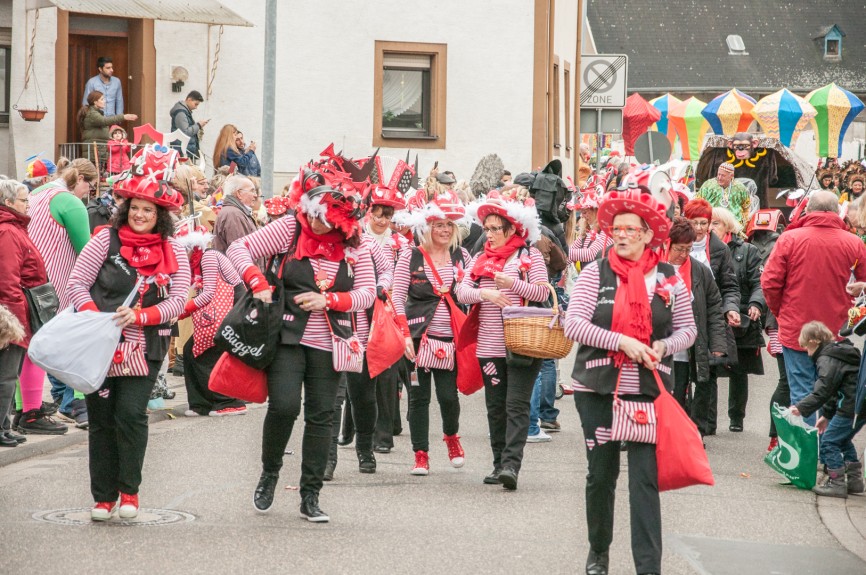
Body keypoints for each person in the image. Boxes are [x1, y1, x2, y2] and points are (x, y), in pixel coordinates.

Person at [226, 149, 376, 522]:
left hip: (332, 341)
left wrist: (330, 299)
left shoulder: (355, 244)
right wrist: (256, 280)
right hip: (288, 337)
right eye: (314, 215)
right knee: (284, 407)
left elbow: (368, 294)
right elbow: (238, 248)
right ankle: (270, 472)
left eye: (327, 220)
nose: (318, 223)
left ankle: (311, 495)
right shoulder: (290, 228)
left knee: (322, 416)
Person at [564, 187, 696, 575]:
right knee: (601, 474)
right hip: (598, 386)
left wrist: (662, 344)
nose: (620, 236)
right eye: (616, 229)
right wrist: (621, 340)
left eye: (630, 230)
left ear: (647, 235)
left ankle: (648, 567)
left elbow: (688, 330)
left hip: (648, 388)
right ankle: (598, 553)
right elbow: (574, 325)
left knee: (644, 481)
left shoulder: (669, 278)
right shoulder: (595, 272)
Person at [65, 145, 190, 520]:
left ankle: (129, 492)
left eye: (147, 210)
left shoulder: (175, 250)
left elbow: (179, 299)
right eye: (134, 207)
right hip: (100, 345)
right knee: (101, 419)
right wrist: (95, 315)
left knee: (131, 415)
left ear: (160, 215)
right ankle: (103, 497)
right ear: (125, 209)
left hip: (146, 346)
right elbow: (76, 284)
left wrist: (143, 316)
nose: (139, 214)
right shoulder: (104, 239)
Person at [457, 190, 549, 490]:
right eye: (487, 228)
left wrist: (513, 284)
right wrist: (485, 293)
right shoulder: (481, 258)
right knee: (496, 407)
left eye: (496, 228)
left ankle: (512, 465)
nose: (490, 234)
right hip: (489, 346)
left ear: (512, 229)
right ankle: (498, 464)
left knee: (516, 406)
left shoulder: (529, 255)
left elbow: (543, 293)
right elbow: (461, 292)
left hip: (522, 344)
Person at [763, 190, 866, 425]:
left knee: (801, 393)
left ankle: (807, 457)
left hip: (796, 329)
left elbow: (770, 283)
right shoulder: (854, 243)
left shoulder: (789, 239)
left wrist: (782, 312)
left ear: (808, 211)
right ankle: (831, 449)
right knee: (835, 391)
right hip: (836, 331)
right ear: (836, 212)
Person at [392, 190, 471, 475]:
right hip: (415, 339)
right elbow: (397, 297)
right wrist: (403, 336)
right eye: (439, 224)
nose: (444, 229)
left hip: (449, 340)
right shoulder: (410, 257)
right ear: (427, 226)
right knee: (418, 398)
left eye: (449, 224)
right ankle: (421, 454)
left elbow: (470, 290)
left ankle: (452, 438)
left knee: (449, 396)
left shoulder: (462, 256)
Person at [28, 158, 99, 429]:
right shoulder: (70, 202)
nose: (88, 193)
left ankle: (57, 397)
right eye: (90, 187)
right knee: (70, 342)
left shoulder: (36, 193)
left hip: (31, 278)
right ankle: (72, 403)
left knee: (42, 339)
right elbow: (86, 250)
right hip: (58, 281)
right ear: (80, 178)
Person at [0, 180, 67, 442]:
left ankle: (5, 425)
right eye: (23, 200)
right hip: (12, 315)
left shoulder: (13, 228)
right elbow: (7, 280)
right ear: (9, 203)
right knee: (5, 376)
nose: (28, 205)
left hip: (16, 311)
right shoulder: (8, 231)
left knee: (8, 375)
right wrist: (15, 321)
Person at [174, 221, 246, 417]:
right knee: (191, 351)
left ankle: (230, 402)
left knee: (212, 351)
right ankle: (201, 403)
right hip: (220, 308)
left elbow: (208, 294)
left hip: (234, 304)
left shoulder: (209, 257)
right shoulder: (194, 263)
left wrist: (183, 310)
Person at [683, 198, 740, 436]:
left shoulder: (719, 249)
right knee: (682, 371)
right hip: (682, 314)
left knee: (708, 372)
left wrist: (731, 308)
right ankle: (686, 423)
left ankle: (703, 424)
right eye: (694, 222)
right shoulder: (675, 244)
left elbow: (729, 285)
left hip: (709, 315)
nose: (698, 228)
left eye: (703, 223)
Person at [791, 321, 864, 498]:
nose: (807, 354)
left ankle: (836, 482)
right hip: (858, 406)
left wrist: (801, 408)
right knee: (842, 439)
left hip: (849, 407)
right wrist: (826, 416)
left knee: (829, 442)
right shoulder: (837, 354)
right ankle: (854, 481)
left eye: (806, 348)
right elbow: (833, 390)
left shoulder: (826, 359)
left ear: (814, 342)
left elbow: (823, 390)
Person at [710, 207, 765, 432]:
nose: (711, 228)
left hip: (740, 318)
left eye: (716, 223)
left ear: (728, 227)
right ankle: (707, 420)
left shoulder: (748, 251)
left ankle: (736, 417)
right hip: (713, 316)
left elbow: (759, 283)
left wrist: (756, 303)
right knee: (709, 370)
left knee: (738, 370)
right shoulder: (703, 250)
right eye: (708, 223)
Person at [665, 217, 726, 414]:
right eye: (679, 249)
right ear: (668, 244)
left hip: (684, 348)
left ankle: (684, 437)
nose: (683, 254)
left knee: (680, 394)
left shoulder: (700, 271)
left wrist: (717, 344)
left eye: (688, 249)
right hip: (657, 345)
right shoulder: (652, 267)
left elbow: (714, 307)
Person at [745, 209, 789, 450]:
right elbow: (769, 284)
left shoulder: (786, 242)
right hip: (784, 320)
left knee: (788, 382)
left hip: (778, 320)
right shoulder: (784, 243)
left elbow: (768, 284)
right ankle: (778, 436)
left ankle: (779, 436)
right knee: (790, 382)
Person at [212, 175, 260, 259]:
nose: (255, 195)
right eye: (252, 191)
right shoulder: (234, 215)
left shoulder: (235, 212)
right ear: (239, 193)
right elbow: (240, 255)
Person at [697, 162, 750, 229]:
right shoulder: (708, 185)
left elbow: (746, 207)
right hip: (712, 224)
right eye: (718, 174)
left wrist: (744, 225)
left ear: (731, 176)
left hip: (734, 225)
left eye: (723, 175)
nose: (719, 177)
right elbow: (698, 202)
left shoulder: (740, 188)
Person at [569, 186, 611, 266]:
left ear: (596, 211)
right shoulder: (586, 231)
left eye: (585, 212)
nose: (582, 216)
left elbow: (591, 254)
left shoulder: (605, 231)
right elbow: (573, 249)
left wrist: (563, 251)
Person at [169, 91, 208, 160]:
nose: (196, 107)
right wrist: (198, 125)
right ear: (189, 99)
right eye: (196, 104)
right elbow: (185, 132)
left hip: (184, 150)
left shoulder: (183, 111)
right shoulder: (181, 112)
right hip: (183, 152)